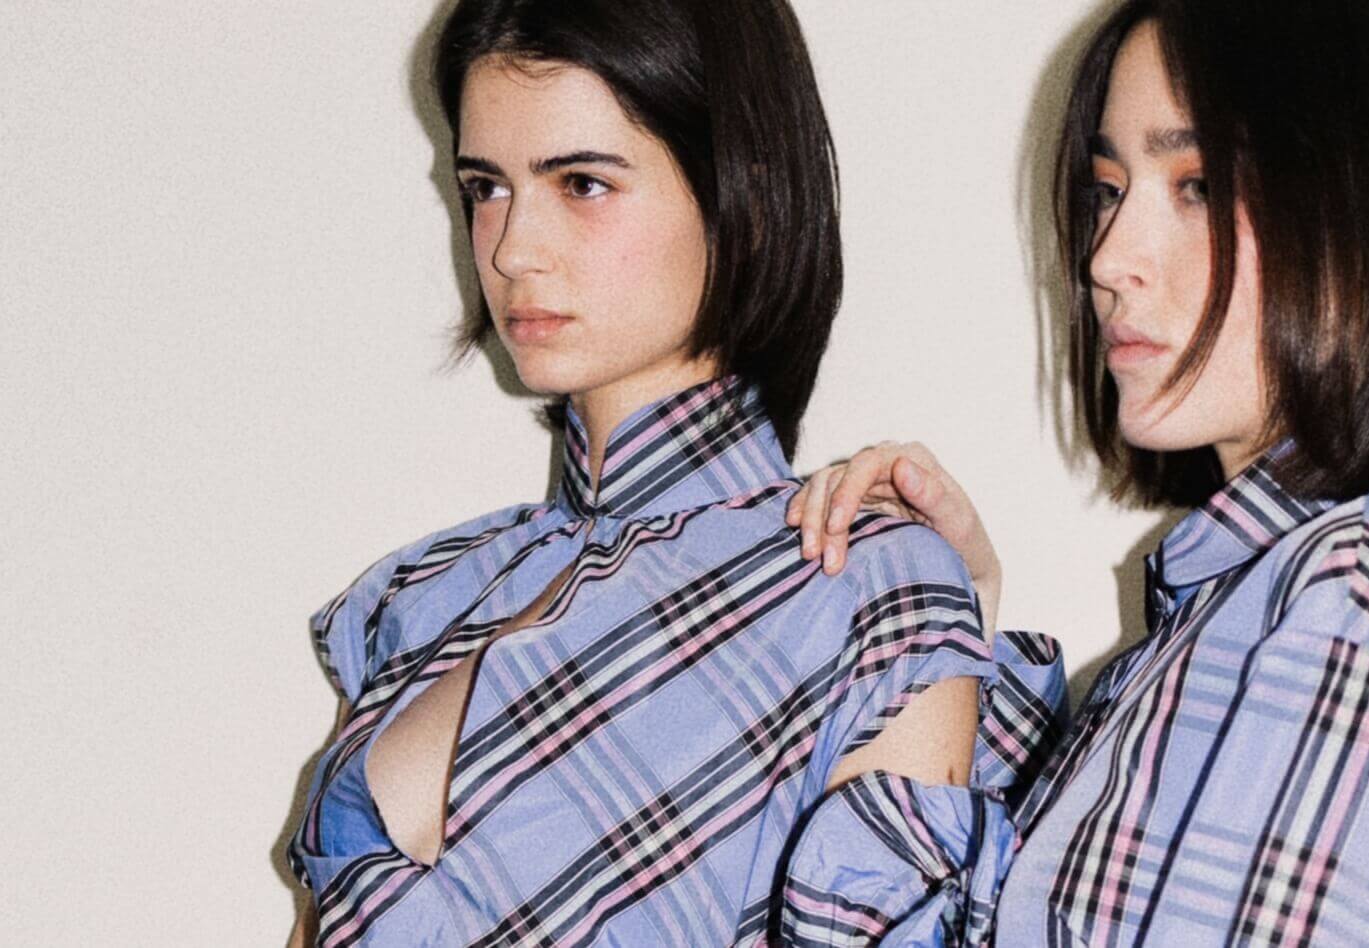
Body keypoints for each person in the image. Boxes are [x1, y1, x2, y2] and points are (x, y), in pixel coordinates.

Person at [283, 1, 1061, 944]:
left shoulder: (865, 587)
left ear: (743, 198)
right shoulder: (425, 595)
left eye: (582, 183)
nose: (512, 249)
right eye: (486, 187)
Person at [783, 0, 1369, 943]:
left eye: (1199, 186)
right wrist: (956, 616)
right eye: (1108, 189)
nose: (1106, 259)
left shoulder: (1358, 597)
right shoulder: (1245, 611)